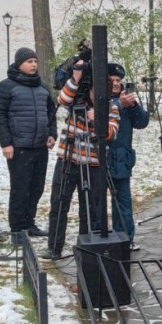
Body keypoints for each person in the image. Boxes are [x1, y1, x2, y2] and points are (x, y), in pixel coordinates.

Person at [45, 62, 120, 260]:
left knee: (90, 209)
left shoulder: (110, 107)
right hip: (68, 159)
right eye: (95, 90)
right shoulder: (76, 97)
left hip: (94, 163)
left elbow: (112, 133)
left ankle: (87, 249)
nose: (97, 95)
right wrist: (75, 78)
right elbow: (62, 100)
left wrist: (99, 119)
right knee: (59, 203)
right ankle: (54, 247)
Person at [0, 47, 57, 241]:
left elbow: (51, 113)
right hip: (19, 147)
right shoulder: (6, 87)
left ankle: (30, 223)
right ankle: (18, 229)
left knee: (36, 187)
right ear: (19, 63)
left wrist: (51, 133)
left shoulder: (43, 87)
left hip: (40, 146)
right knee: (20, 188)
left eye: (35, 61)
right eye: (29, 61)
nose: (34, 64)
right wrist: (6, 144)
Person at [106, 63, 149, 251]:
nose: (116, 84)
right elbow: (98, 116)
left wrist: (133, 106)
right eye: (112, 80)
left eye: (118, 80)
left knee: (122, 202)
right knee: (97, 202)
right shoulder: (98, 97)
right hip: (100, 157)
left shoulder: (126, 100)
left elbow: (142, 122)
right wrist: (118, 105)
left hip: (122, 158)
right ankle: (101, 238)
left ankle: (125, 238)